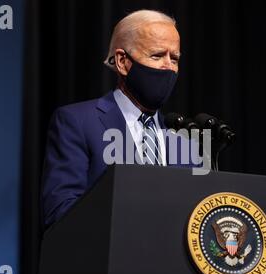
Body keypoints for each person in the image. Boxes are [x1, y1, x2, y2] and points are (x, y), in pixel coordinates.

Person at [41, 10, 199, 227]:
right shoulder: (76, 122)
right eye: (157, 55)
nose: (169, 67)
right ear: (123, 62)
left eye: (174, 58)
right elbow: (60, 213)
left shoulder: (183, 139)